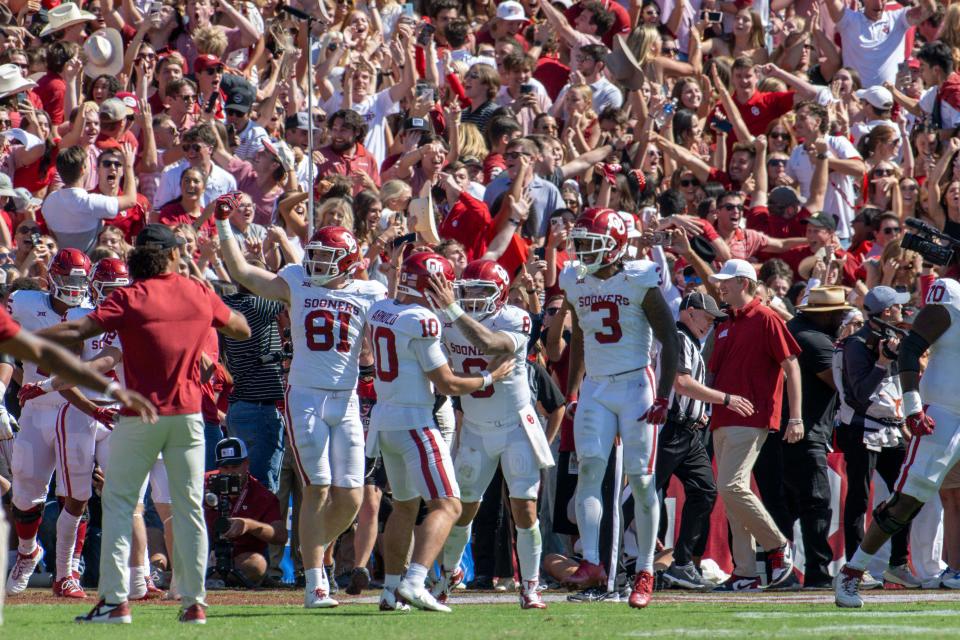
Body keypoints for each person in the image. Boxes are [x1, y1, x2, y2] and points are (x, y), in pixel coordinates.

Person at [39, 224, 252, 624]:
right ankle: (194, 603)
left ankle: (115, 601)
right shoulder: (197, 291)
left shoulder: (130, 296)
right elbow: (241, 327)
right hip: (188, 416)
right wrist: (208, 306)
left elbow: (77, 328)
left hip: (140, 416)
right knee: (188, 508)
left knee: (120, 503)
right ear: (172, 255)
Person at [216, 214, 386, 609]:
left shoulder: (370, 291)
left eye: (328, 257)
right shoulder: (296, 282)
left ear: (348, 261)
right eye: (315, 256)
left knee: (351, 497)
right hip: (305, 396)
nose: (317, 264)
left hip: (345, 399)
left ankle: (313, 550)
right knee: (318, 487)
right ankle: (315, 582)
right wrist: (224, 224)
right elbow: (241, 269)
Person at [365, 251, 514, 612]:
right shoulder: (421, 321)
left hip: (385, 419)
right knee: (449, 504)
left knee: (404, 506)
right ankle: (415, 581)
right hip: (415, 422)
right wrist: (489, 377)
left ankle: (390, 591)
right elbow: (446, 384)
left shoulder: (381, 308)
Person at [0, 273, 153, 623]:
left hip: (113, 412)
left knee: (125, 497)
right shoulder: (72, 316)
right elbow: (56, 364)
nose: (116, 296)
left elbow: (107, 362)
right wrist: (39, 387)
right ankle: (32, 554)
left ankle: (125, 574)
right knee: (31, 494)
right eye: (109, 289)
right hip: (70, 410)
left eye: (120, 289)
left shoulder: (133, 319)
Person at [559, 207, 679, 609]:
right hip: (595, 385)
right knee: (590, 471)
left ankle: (645, 569)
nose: (582, 252)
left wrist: (664, 395)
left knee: (642, 481)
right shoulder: (575, 281)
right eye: (580, 243)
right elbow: (579, 335)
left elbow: (670, 338)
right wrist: (573, 391)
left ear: (616, 245)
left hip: (634, 383)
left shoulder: (638, 277)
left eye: (591, 244)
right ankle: (592, 561)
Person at [427, 259, 554, 610]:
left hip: (516, 427)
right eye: (466, 292)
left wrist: (452, 309)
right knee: (462, 509)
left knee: (524, 508)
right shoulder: (446, 319)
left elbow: (491, 343)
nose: (471, 299)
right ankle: (448, 576)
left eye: (481, 292)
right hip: (476, 429)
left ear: (500, 294)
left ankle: (530, 586)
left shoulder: (514, 318)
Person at [836, 276, 960, 608]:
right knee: (907, 500)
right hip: (942, 415)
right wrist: (913, 407)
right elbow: (909, 351)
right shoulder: (950, 296)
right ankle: (852, 571)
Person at [707, 258, 802, 591]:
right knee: (734, 496)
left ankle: (777, 546)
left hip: (752, 417)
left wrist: (796, 417)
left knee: (731, 487)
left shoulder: (766, 318)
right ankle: (746, 572)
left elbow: (792, 367)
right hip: (722, 417)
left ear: (743, 283)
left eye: (726, 282)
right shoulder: (725, 322)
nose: (721, 286)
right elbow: (715, 374)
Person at [835, 286, 921, 589]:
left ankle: (897, 564)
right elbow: (860, 394)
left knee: (908, 494)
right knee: (858, 499)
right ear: (886, 312)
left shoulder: (891, 339)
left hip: (892, 428)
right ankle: (856, 567)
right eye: (896, 307)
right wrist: (883, 362)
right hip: (861, 428)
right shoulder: (857, 345)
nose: (901, 310)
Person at [658, 292, 743, 591]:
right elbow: (680, 383)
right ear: (689, 312)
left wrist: (701, 412)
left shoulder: (692, 342)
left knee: (705, 491)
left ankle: (681, 564)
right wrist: (726, 399)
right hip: (668, 429)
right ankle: (614, 562)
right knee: (639, 495)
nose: (710, 324)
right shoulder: (679, 338)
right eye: (707, 317)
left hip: (689, 430)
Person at [782, 287, 853, 589]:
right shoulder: (814, 340)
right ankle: (817, 573)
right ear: (826, 317)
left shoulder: (796, 329)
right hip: (805, 430)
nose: (843, 318)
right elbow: (842, 383)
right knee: (816, 503)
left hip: (790, 429)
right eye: (839, 314)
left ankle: (780, 570)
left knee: (789, 504)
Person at [204, 437, 286, 586]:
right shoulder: (204, 483)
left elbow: (280, 536)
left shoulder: (261, 495)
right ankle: (210, 575)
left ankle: (214, 578)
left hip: (240, 558)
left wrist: (249, 525)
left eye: (235, 466)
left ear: (246, 463)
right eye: (225, 467)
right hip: (204, 552)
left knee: (256, 564)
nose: (230, 472)